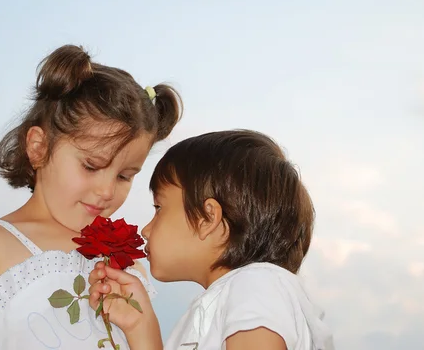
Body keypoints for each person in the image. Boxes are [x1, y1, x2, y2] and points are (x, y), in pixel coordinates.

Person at [0, 44, 183, 350]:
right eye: (91, 166)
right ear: (39, 147)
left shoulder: (123, 264)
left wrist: (142, 326)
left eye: (124, 176)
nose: (107, 191)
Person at [87, 130, 334, 350]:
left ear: (207, 218)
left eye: (159, 207)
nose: (146, 230)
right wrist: (140, 326)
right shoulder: (233, 298)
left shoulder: (255, 284)